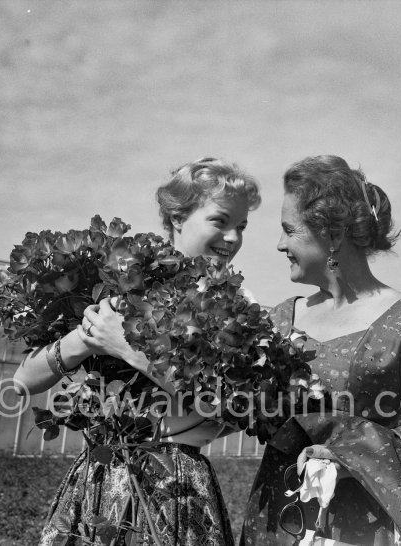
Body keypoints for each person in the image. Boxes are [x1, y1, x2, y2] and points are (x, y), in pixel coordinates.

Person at [14, 157, 261, 546]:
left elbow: (229, 409)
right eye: (220, 220)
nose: (232, 238)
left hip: (175, 488)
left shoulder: (237, 303)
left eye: (241, 226)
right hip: (98, 479)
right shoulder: (118, 280)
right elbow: (22, 381)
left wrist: (127, 348)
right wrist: (86, 337)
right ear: (178, 217)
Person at [240, 155, 401, 546]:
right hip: (280, 522)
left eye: (289, 230)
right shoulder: (281, 319)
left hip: (367, 529)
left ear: (331, 234)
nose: (280, 244)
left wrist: (354, 455)